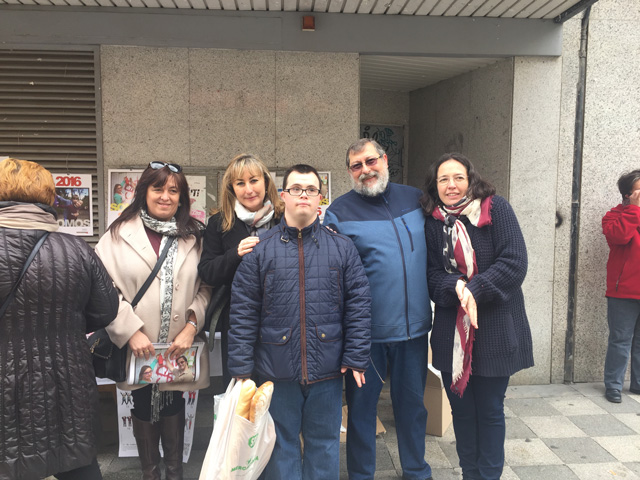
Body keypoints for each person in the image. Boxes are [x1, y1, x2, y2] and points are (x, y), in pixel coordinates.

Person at [228, 164, 371, 480]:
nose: (303, 195)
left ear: (320, 197)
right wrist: (240, 369)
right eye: (296, 189)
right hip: (275, 370)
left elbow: (359, 305)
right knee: (281, 446)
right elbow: (243, 312)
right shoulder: (260, 249)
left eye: (310, 189)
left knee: (325, 445)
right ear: (283, 195)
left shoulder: (342, 248)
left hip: (328, 370)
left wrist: (356, 356)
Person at [0, 158, 119, 480]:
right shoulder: (76, 249)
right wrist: (66, 323)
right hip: (68, 381)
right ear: (49, 197)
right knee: (77, 462)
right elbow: (106, 310)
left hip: (6, 384)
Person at [323, 139, 433, 480]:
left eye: (371, 161)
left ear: (385, 160)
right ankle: (360, 475)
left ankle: (416, 471)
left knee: (412, 408)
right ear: (349, 171)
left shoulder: (416, 199)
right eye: (356, 165)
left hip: (414, 331)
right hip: (364, 336)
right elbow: (333, 278)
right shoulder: (338, 213)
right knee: (361, 411)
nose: (365, 170)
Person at [421, 152, 534, 480]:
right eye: (443, 179)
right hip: (451, 334)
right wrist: (455, 286)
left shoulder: (496, 209)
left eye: (458, 177)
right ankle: (470, 473)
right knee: (462, 412)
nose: (451, 185)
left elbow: (514, 262)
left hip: (495, 328)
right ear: (435, 185)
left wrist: (475, 290)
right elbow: (431, 274)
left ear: (471, 179)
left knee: (489, 411)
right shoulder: (433, 221)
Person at [96, 161, 211, 480]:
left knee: (173, 400)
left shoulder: (196, 236)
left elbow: (207, 287)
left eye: (173, 190)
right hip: (138, 345)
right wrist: (129, 330)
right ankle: (150, 473)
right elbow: (103, 290)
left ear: (182, 197)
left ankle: (174, 472)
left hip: (179, 345)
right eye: (158, 188)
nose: (165, 196)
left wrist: (192, 326)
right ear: (144, 192)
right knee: (142, 401)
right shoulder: (117, 235)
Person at [198, 153, 283, 385]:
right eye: (240, 183)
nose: (249, 189)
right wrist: (235, 254)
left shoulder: (284, 218)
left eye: (254, 180)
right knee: (241, 388)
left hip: (282, 317)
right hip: (237, 321)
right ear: (231, 188)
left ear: (266, 182)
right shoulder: (219, 222)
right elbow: (207, 272)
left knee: (277, 387)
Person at [602, 169, 640, 403]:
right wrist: (634, 210)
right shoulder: (614, 216)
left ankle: (638, 383)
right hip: (623, 290)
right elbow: (619, 237)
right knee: (620, 340)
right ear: (628, 194)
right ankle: (613, 385)